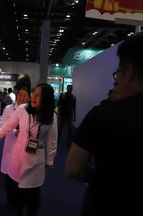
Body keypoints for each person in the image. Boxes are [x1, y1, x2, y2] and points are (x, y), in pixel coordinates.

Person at [65, 31, 143, 216]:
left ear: (128, 73)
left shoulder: (103, 114)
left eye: (118, 74)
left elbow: (73, 168)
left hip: (106, 204)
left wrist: (100, 177)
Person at [0, 83, 58, 216]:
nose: (34, 97)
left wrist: (50, 159)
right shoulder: (23, 109)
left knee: (33, 196)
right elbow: (8, 125)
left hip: (36, 160)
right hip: (18, 156)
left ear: (47, 98)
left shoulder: (51, 117)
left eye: (38, 95)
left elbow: (52, 140)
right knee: (18, 195)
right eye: (34, 93)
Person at [0, 86, 30, 209]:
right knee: (8, 174)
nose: (22, 97)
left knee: (22, 174)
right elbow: (2, 125)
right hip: (11, 144)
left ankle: (20, 199)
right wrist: (15, 132)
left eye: (25, 95)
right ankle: (10, 199)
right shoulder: (8, 109)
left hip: (24, 146)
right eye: (20, 94)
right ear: (17, 96)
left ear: (28, 97)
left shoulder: (31, 110)